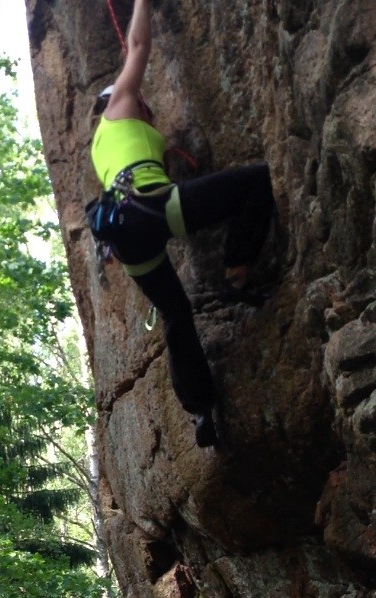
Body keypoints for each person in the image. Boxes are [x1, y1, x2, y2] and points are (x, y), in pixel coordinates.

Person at [90, 0, 275, 448]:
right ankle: (237, 272)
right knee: (256, 181)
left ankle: (201, 411)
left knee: (176, 313)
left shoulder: (100, 147)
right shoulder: (122, 104)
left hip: (126, 238)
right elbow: (138, 45)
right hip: (151, 208)